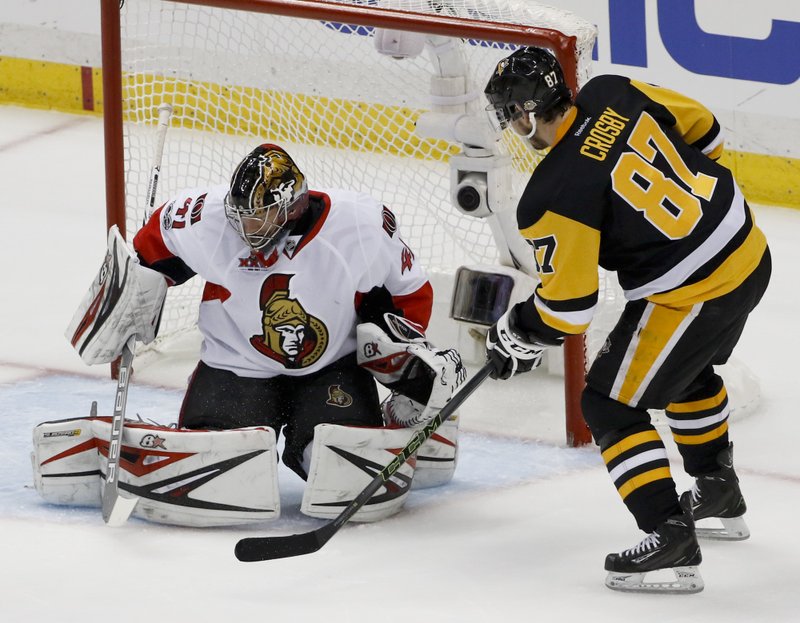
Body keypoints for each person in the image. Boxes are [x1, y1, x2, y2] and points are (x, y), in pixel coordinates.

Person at [53, 143, 465, 526]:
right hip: (235, 364)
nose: (247, 226)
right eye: (242, 214)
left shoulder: (361, 225)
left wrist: (401, 360)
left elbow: (410, 292)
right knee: (219, 457)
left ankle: (400, 423)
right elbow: (151, 244)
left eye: (259, 215)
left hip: (331, 366)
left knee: (341, 464)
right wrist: (134, 290)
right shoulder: (206, 216)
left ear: (292, 205)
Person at [482, 47, 770, 593]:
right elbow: (704, 130)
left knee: (607, 404)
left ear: (523, 113)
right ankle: (718, 492)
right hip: (749, 247)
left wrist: (517, 328)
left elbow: (567, 309)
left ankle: (669, 536)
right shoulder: (613, 91)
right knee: (685, 368)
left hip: (696, 289)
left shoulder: (551, 194)